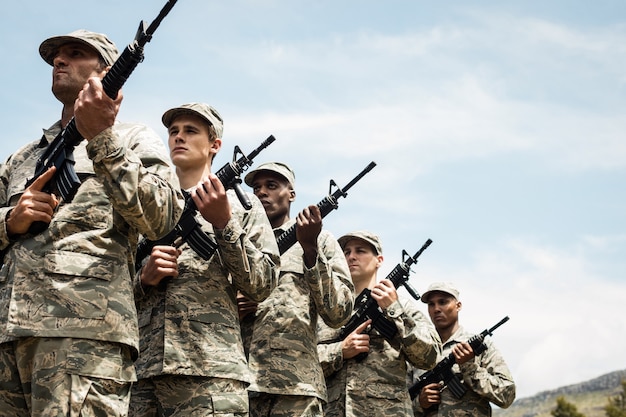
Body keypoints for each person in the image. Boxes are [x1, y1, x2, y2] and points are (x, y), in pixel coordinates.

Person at [0, 29, 183, 416]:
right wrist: (10, 222)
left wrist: (102, 137)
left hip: (83, 336)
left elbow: (161, 216)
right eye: (56, 56)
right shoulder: (23, 157)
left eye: (75, 53)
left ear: (105, 71)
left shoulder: (134, 140)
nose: (59, 61)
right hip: (8, 338)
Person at [129, 103, 280, 416]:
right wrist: (143, 279)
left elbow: (263, 285)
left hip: (210, 374)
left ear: (215, 145)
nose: (178, 138)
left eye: (190, 131)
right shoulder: (148, 203)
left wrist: (224, 223)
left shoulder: (244, 208)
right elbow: (113, 283)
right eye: (173, 131)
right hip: (141, 373)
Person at [240, 162, 355, 417]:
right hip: (239, 383)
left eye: (271, 186)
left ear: (291, 193)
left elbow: (340, 312)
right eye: (256, 187)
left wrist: (311, 250)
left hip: (296, 387)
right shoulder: (238, 241)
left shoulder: (320, 240)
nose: (262, 193)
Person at [317, 230, 440, 417]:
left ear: (379, 260)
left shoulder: (402, 307)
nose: (351, 257)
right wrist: (340, 350)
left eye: (360, 251)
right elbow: (303, 360)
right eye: (346, 252)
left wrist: (393, 310)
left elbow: (430, 357)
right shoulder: (328, 310)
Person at [410, 282, 516, 416]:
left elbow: (507, 396)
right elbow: (398, 403)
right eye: (431, 304)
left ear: (458, 306)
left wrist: (470, 367)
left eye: (442, 302)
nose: (436, 309)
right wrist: (419, 403)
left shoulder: (480, 347)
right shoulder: (417, 350)